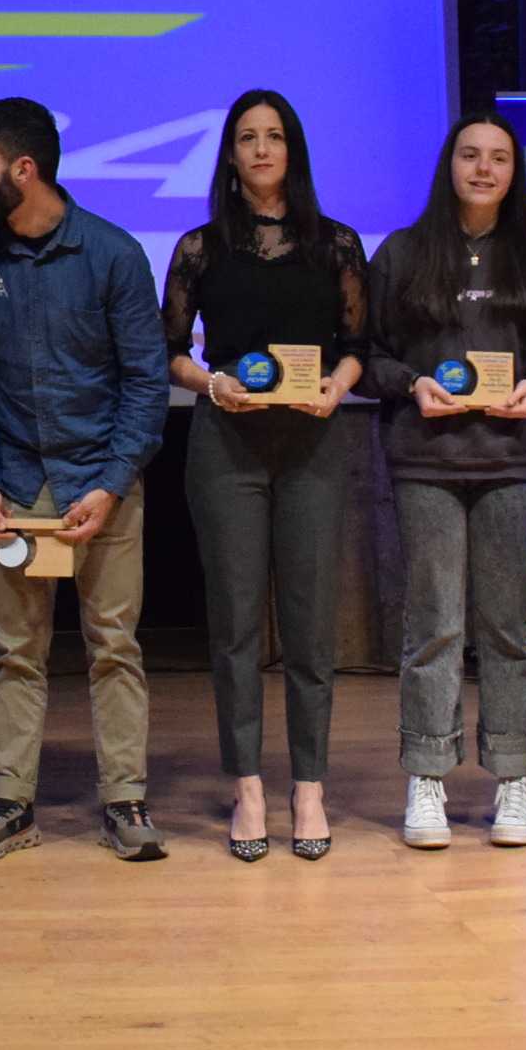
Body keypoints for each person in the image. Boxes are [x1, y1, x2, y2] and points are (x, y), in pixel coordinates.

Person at [0, 97, 168, 864]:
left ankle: (125, 802)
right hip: (14, 486)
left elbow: (145, 384)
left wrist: (109, 485)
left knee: (113, 645)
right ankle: (11, 805)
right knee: (15, 650)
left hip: (101, 483)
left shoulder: (112, 255)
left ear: (24, 169)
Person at [163, 89, 370, 862]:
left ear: (294, 149)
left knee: (313, 629)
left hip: (313, 443)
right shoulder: (200, 247)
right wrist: (209, 383)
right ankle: (248, 783)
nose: (260, 149)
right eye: (246, 137)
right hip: (227, 446)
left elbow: (358, 340)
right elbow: (170, 346)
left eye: (273, 136)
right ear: (229, 152)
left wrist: (338, 384)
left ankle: (308, 785)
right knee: (237, 627)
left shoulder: (337, 245)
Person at [359, 112, 526, 851]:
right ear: (449, 165)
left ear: (514, 172)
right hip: (427, 463)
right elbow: (369, 358)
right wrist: (412, 383)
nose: (483, 169)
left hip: (509, 461)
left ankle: (513, 775)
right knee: (434, 625)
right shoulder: (405, 255)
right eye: (470, 156)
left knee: (509, 630)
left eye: (499, 158)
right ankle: (428, 775)